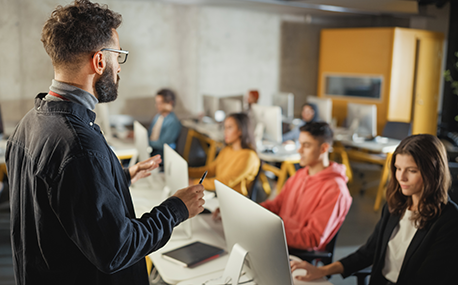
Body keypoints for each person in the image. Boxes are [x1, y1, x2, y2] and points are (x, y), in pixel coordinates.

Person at [5, 1, 204, 285]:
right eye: (118, 57)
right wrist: (176, 209)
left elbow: (62, 196)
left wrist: (120, 177)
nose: (119, 69)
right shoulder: (80, 147)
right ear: (99, 61)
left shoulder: (30, 123)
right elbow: (117, 249)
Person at [291, 134, 458, 285]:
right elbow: (368, 252)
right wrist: (322, 271)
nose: (401, 177)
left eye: (411, 171)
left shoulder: (449, 220)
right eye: (398, 169)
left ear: (433, 172)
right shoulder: (397, 206)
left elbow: (429, 279)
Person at [260, 122, 352, 251]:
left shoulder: (336, 190)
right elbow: (276, 206)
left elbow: (312, 239)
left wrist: (272, 234)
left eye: (306, 145)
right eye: (300, 144)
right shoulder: (300, 174)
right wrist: (251, 212)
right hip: (279, 242)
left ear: (324, 149)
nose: (299, 150)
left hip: (298, 254)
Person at [189, 113, 260, 195]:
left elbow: (224, 182)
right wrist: (187, 172)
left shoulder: (249, 156)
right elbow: (211, 170)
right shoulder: (227, 149)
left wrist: (193, 182)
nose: (225, 131)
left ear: (241, 130)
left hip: (233, 199)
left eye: (229, 127)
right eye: (225, 127)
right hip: (219, 193)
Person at [148, 88, 182, 157]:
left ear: (170, 103)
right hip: (151, 150)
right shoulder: (158, 116)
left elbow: (163, 144)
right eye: (156, 103)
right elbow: (150, 134)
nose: (157, 106)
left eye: (160, 103)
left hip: (161, 155)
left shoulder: (173, 122)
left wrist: (146, 142)